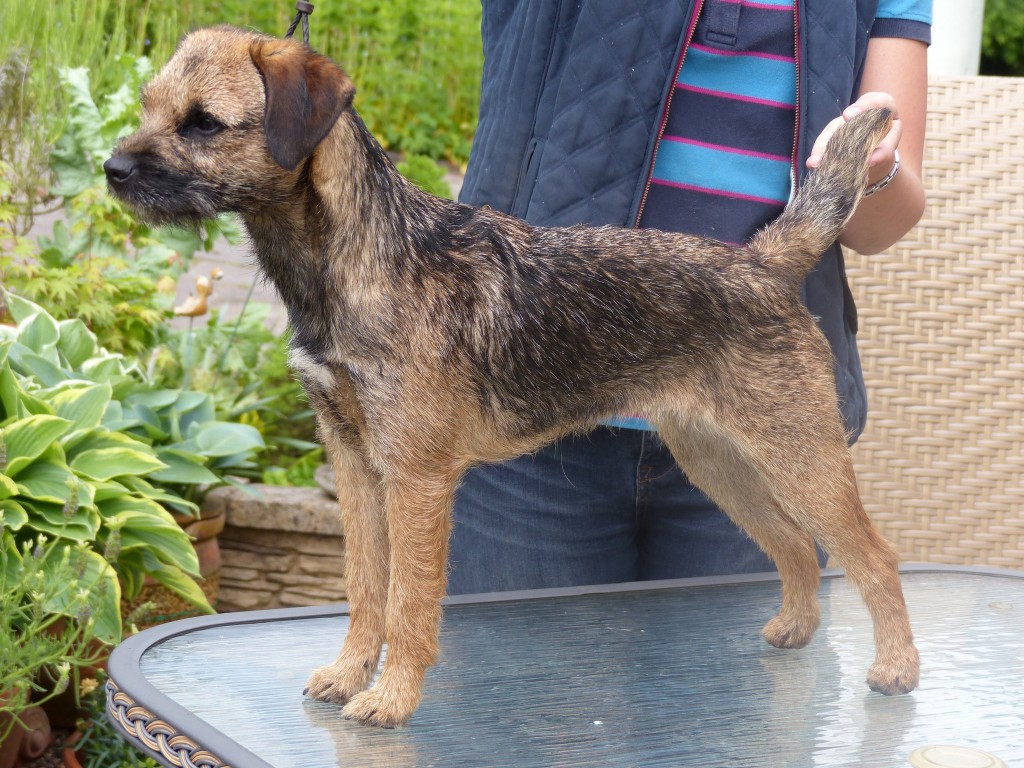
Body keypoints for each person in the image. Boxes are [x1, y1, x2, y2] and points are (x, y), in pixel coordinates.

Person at [447, 0, 932, 594]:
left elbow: (878, 230)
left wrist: (871, 168)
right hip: (522, 403)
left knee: (755, 656)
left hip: (751, 412)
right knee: (512, 661)